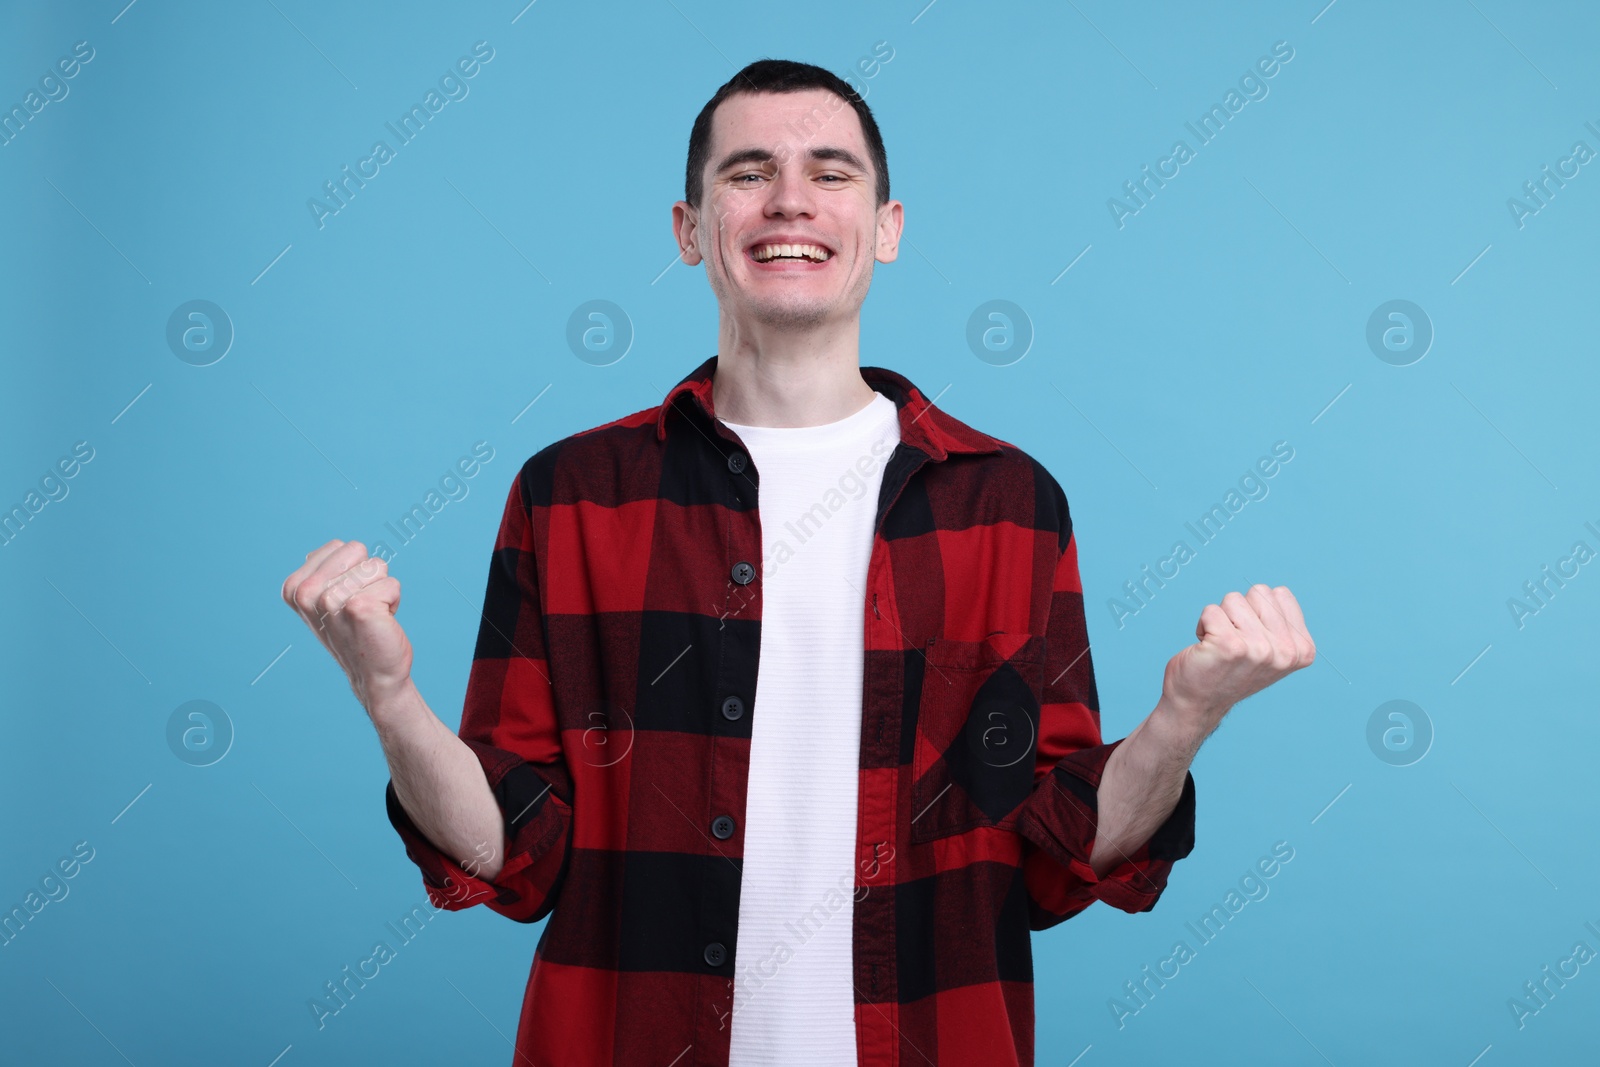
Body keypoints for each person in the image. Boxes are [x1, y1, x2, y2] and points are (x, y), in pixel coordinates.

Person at [280, 58, 1315, 1067]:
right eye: (746, 174)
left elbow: (1056, 859)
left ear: (886, 228)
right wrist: (389, 696)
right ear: (689, 232)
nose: (789, 203)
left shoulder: (1006, 503)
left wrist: (1186, 717)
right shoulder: (571, 493)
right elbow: (506, 854)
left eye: (830, 174)